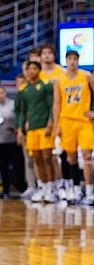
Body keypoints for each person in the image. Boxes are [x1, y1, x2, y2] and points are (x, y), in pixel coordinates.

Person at [52, 50, 94, 205]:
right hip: (66, 121)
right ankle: (76, 189)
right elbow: (56, 104)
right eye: (70, 59)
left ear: (78, 60)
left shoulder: (87, 76)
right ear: (66, 61)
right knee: (71, 158)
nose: (72, 61)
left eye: (75, 59)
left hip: (84, 121)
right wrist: (56, 125)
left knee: (87, 157)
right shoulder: (59, 80)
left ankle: (90, 192)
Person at [16, 61, 56, 203]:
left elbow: (52, 106)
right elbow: (21, 111)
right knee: (37, 159)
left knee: (47, 158)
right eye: (29, 69)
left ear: (39, 70)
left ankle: (51, 187)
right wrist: (20, 130)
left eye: (34, 68)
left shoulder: (46, 85)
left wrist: (50, 124)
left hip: (44, 126)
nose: (32, 71)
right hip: (32, 129)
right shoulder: (23, 89)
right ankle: (42, 187)